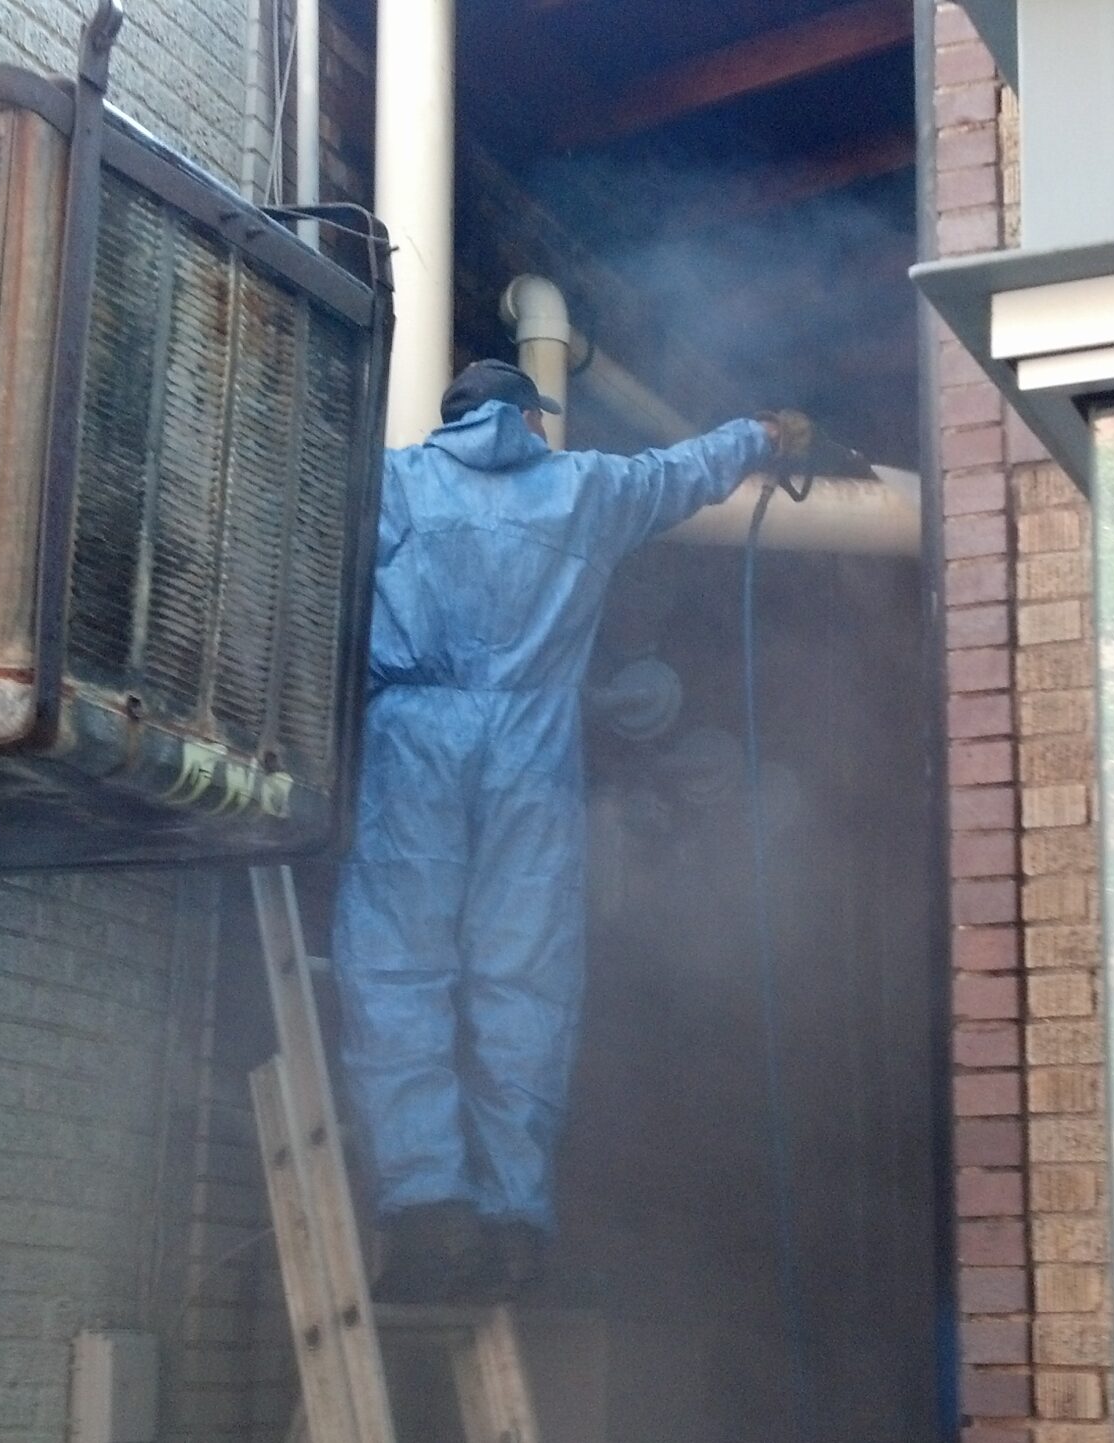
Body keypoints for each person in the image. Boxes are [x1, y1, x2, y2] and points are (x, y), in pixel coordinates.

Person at [332, 357, 810, 1302]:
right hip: (532, 751)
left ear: (454, 420)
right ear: (529, 418)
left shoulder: (393, 480)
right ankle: (513, 1223)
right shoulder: (588, 486)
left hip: (413, 740)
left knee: (397, 967)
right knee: (525, 978)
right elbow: (686, 472)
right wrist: (764, 434)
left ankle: (429, 1215)